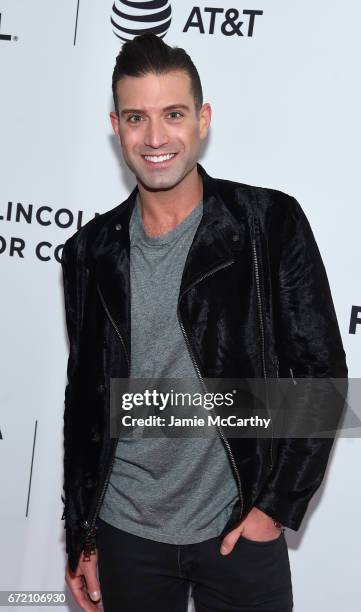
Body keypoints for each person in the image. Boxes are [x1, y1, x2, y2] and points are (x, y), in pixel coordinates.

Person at [61, 33, 348, 612]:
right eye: (137, 117)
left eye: (173, 114)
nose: (155, 137)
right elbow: (86, 402)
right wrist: (82, 534)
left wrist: (274, 510)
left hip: (239, 530)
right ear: (116, 126)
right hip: (126, 534)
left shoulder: (268, 223)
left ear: (203, 119)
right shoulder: (89, 252)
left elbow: (321, 375)